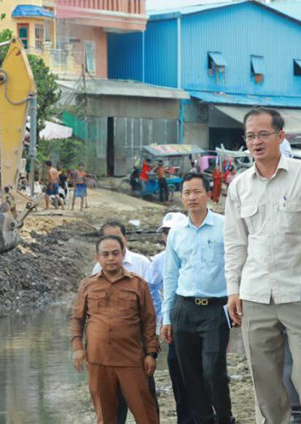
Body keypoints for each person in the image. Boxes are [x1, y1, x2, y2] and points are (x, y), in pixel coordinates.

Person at [225, 107, 301, 424]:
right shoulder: (239, 186)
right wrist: (233, 290)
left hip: (299, 290)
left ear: (280, 136)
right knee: (263, 376)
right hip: (255, 293)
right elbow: (235, 243)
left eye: (263, 134)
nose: (256, 141)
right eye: (250, 135)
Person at [160, 172, 232, 424]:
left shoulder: (225, 225)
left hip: (215, 309)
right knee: (189, 373)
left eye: (197, 192)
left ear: (208, 194)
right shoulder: (177, 233)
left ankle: (224, 418)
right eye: (187, 193)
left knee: (213, 370)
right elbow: (170, 277)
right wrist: (166, 318)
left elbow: (236, 264)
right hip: (184, 308)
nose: (192, 197)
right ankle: (204, 420)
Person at [71, 235, 161, 424]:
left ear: (123, 255)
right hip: (98, 360)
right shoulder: (88, 284)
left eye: (115, 253)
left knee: (146, 414)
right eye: (105, 254)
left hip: (131, 359)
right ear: (98, 258)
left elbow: (149, 320)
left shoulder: (138, 284)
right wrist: (78, 348)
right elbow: (77, 319)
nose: (110, 258)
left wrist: (151, 353)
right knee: (105, 416)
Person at [94, 221, 160, 424]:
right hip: (109, 346)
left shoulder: (142, 264)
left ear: (125, 240)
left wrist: (151, 346)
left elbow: (154, 302)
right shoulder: (97, 269)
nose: (113, 252)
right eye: (108, 241)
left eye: (118, 240)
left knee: (144, 396)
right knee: (113, 401)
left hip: (136, 342)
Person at [151, 211, 193, 424]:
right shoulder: (159, 260)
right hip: (174, 324)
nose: (168, 237)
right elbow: (152, 290)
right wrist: (161, 320)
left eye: (173, 231)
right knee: (177, 369)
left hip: (198, 321)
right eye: (166, 232)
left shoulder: (195, 252)